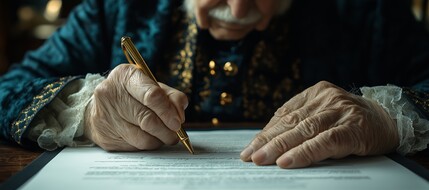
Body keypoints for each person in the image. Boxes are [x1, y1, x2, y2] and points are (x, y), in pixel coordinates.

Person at [1, 0, 429, 169]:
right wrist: (87, 111)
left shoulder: (365, 11)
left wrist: (388, 116)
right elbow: (8, 88)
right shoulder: (116, 9)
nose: (241, 7)